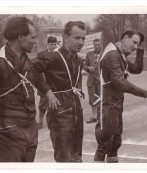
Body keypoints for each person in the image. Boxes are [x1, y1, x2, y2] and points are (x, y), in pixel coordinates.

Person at [0, 16, 38, 162]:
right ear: (20, 37)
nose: (35, 41)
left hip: (30, 129)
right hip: (7, 132)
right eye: (32, 37)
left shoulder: (26, 61)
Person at [94, 30, 147, 163]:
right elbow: (120, 83)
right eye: (134, 42)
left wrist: (140, 50)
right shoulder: (112, 54)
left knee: (115, 141)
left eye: (137, 44)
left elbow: (137, 68)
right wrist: (146, 94)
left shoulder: (120, 53)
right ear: (124, 38)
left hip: (115, 102)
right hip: (107, 102)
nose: (134, 46)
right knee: (105, 142)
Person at [32, 21, 86, 162]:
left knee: (77, 156)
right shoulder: (54, 56)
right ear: (66, 37)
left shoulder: (78, 59)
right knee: (64, 158)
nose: (81, 42)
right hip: (60, 112)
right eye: (77, 38)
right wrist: (47, 92)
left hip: (76, 109)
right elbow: (33, 69)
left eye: (83, 38)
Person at [37, 36, 57, 129]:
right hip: (44, 81)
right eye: (51, 44)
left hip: (55, 82)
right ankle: (40, 121)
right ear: (47, 44)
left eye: (54, 44)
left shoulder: (58, 54)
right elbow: (37, 69)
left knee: (55, 102)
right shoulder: (41, 54)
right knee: (43, 103)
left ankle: (54, 121)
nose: (53, 46)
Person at [83, 38, 102, 124]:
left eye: (98, 45)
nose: (97, 46)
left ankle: (101, 116)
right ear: (93, 45)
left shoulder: (105, 54)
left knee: (101, 98)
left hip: (101, 80)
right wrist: (88, 68)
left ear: (101, 45)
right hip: (91, 80)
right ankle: (94, 116)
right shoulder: (89, 54)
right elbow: (84, 65)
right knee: (92, 98)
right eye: (95, 45)